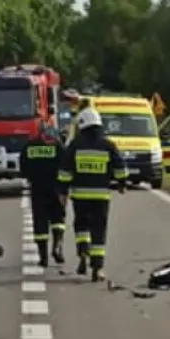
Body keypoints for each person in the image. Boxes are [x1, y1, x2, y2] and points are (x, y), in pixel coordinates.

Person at [56, 107, 128, 282]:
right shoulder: (108, 145)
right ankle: (98, 268)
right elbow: (121, 169)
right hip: (101, 197)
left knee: (81, 225)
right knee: (99, 230)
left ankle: (82, 251)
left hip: (79, 196)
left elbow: (65, 171)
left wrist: (63, 192)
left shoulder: (75, 145)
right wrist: (121, 184)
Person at [20, 122, 67, 267]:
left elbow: (23, 165)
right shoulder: (58, 146)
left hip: (38, 188)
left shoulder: (29, 146)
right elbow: (66, 165)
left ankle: (43, 257)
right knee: (58, 219)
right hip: (56, 188)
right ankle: (57, 245)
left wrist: (30, 177)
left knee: (40, 222)